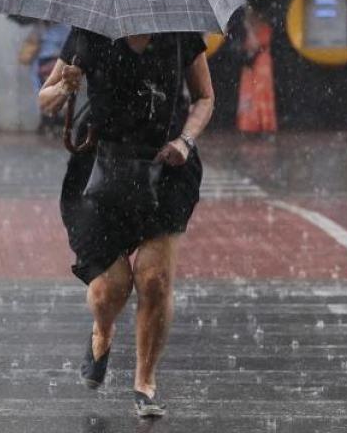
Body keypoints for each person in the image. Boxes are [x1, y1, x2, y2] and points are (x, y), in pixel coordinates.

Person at [38, 28, 214, 418]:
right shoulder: (90, 35)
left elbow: (205, 96)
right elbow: (45, 101)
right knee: (110, 290)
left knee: (154, 279)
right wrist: (66, 87)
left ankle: (145, 383)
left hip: (167, 166)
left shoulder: (181, 35)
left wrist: (186, 140)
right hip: (101, 169)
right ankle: (102, 333)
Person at [236, 6, 278, 135]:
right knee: (250, 93)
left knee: (260, 93)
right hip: (252, 65)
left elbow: (255, 45)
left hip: (260, 64)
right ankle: (251, 123)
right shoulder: (250, 29)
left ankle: (261, 123)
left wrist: (249, 29)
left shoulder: (262, 29)